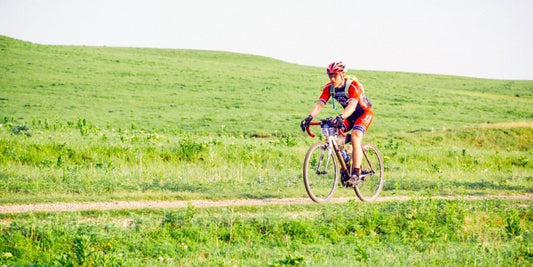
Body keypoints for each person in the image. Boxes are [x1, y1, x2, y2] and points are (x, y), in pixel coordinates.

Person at [300, 61, 373, 186]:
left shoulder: (353, 86)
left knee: (355, 136)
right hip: (349, 116)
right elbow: (320, 104)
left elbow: (352, 106)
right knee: (334, 134)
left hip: (363, 114)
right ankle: (348, 161)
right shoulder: (329, 88)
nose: (332, 79)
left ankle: (356, 173)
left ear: (343, 74)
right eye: (330, 76)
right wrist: (309, 117)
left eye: (335, 75)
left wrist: (341, 116)